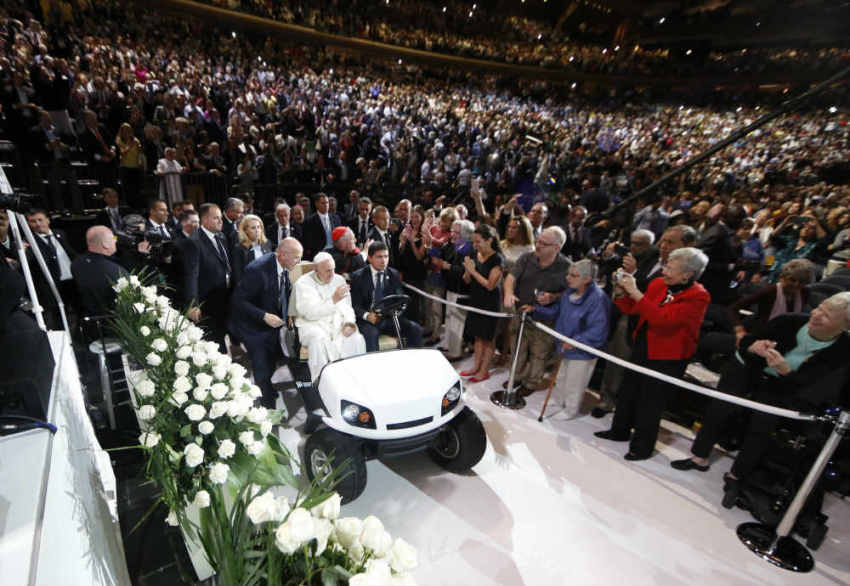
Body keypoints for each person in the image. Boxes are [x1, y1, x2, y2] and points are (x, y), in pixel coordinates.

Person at [672, 293, 850, 486]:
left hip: (783, 383)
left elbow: (811, 385)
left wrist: (786, 372)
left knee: (762, 426)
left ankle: (737, 476)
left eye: (827, 316)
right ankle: (699, 457)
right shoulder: (789, 320)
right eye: (819, 308)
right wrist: (753, 347)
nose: (816, 315)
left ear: (845, 326)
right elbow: (745, 342)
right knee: (719, 409)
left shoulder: (843, 349)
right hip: (746, 367)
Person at [595, 247, 711, 461]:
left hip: (669, 355)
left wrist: (635, 292)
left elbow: (664, 321)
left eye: (671, 269)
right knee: (629, 390)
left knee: (651, 402)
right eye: (666, 266)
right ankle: (619, 430)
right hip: (643, 344)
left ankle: (642, 447)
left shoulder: (699, 297)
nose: (664, 271)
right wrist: (621, 292)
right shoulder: (658, 284)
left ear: (687, 274)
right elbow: (636, 309)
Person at [533, 259, 611, 419]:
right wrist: (536, 310)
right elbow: (558, 311)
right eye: (568, 274)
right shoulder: (569, 292)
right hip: (564, 344)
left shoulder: (598, 299)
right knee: (561, 376)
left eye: (573, 275)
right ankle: (559, 400)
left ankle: (570, 409)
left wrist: (577, 341)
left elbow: (598, 329)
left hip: (582, 349)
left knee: (575, 381)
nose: (567, 278)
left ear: (586, 279)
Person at [231, 237, 303, 408]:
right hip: (252, 327)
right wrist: (263, 316)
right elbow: (238, 300)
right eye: (296, 258)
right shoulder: (257, 270)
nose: (299, 262)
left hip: (272, 325)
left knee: (270, 363)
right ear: (282, 255)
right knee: (262, 368)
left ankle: (268, 390)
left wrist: (288, 314)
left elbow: (283, 290)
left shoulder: (285, 266)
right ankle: (268, 409)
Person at [503, 226, 570, 394]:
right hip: (521, 313)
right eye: (538, 241)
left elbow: (571, 293)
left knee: (539, 354)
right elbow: (511, 278)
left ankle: (531, 383)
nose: (538, 245)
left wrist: (553, 297)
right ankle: (516, 377)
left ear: (557, 247)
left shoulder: (566, 267)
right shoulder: (526, 258)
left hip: (544, 320)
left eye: (544, 243)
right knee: (517, 348)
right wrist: (509, 293)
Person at [293, 251, 366, 381]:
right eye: (327, 271)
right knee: (318, 341)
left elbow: (347, 307)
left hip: (337, 323)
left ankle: (353, 379)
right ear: (316, 270)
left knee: (355, 338)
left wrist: (349, 323)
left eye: (333, 269)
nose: (332, 274)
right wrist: (334, 299)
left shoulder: (339, 280)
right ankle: (322, 382)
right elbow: (310, 313)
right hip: (313, 325)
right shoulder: (303, 284)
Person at [351, 241, 423, 352]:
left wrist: (396, 312)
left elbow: (399, 298)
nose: (383, 260)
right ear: (369, 258)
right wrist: (367, 316)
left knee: (415, 329)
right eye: (379, 257)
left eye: (386, 256)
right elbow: (355, 305)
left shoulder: (393, 274)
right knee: (371, 334)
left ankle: (411, 359)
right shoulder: (358, 276)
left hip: (389, 318)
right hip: (368, 320)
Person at [185, 203, 233, 352]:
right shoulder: (194, 241)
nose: (221, 221)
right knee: (215, 342)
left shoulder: (221, 236)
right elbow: (191, 275)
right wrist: (193, 304)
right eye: (216, 218)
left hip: (225, 296)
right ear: (204, 220)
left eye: (220, 218)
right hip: (208, 302)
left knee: (224, 332)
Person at [459, 225, 504, 382]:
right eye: (474, 242)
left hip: (490, 303)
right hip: (476, 300)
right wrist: (467, 270)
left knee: (488, 338)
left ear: (489, 240)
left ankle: (484, 371)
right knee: (478, 336)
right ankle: (476, 367)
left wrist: (473, 271)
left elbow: (490, 285)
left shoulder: (497, 259)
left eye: (478, 242)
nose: (475, 245)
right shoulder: (474, 254)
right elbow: (467, 280)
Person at [26, 208, 77, 329]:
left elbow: (72, 253)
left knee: (76, 314)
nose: (38, 224)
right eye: (33, 221)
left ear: (48, 220)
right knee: (58, 319)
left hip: (72, 282)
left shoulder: (60, 234)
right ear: (28, 224)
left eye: (40, 220)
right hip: (51, 287)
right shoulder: (29, 242)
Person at [436, 219, 475, 360]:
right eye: (452, 231)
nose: (453, 234)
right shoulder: (455, 246)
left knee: (458, 323)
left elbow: (468, 273)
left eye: (457, 232)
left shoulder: (470, 250)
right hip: (451, 288)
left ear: (466, 234)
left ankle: (455, 352)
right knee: (449, 319)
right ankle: (448, 345)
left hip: (462, 291)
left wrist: (449, 267)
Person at [72, 225, 128, 317]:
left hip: (86, 317)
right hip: (113, 319)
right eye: (113, 238)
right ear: (105, 244)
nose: (115, 241)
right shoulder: (116, 270)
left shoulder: (76, 264)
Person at [231, 214, 272, 287]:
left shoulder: (267, 244)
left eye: (258, 227)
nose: (257, 230)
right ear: (245, 231)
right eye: (253, 228)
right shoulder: (239, 249)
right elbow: (238, 276)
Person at [301, 193, 342, 260]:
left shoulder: (336, 218)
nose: (326, 205)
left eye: (327, 203)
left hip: (335, 252)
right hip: (319, 253)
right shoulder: (309, 221)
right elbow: (307, 241)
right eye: (323, 203)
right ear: (316, 204)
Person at [115, 122, 143, 209]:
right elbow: (122, 153)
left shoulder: (135, 139)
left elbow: (139, 152)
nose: (126, 132)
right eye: (124, 130)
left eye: (128, 130)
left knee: (136, 189)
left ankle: (136, 207)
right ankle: (128, 207)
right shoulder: (119, 140)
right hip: (125, 167)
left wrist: (140, 161)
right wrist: (130, 145)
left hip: (135, 167)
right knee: (127, 189)